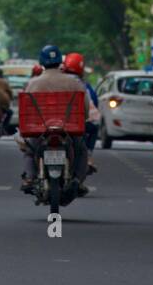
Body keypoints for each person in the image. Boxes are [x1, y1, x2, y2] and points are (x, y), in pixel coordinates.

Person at [19, 45, 89, 192]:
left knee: (30, 150)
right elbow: (85, 105)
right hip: (69, 128)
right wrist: (85, 117)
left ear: (42, 62)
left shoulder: (33, 83)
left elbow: (27, 108)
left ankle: (30, 177)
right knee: (81, 150)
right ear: (60, 61)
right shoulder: (74, 82)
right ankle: (77, 180)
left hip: (40, 129)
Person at [62, 52, 99, 180]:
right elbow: (92, 102)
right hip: (75, 125)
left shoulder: (59, 81)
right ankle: (88, 157)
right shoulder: (82, 85)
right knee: (91, 131)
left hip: (52, 123)